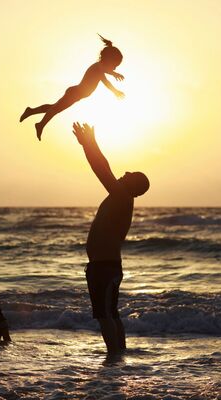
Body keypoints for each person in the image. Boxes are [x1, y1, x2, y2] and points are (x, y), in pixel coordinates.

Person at [72, 122, 149, 354]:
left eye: (130, 174)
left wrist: (89, 144)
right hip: (104, 266)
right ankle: (119, 357)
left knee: (105, 314)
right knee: (110, 313)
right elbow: (105, 167)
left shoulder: (122, 197)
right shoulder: (120, 197)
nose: (124, 173)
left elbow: (101, 170)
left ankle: (114, 358)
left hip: (105, 268)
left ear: (134, 184)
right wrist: (90, 144)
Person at [20, 35, 125, 141]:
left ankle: (31, 111)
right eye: (114, 65)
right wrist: (115, 89)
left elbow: (106, 74)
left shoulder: (100, 68)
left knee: (53, 107)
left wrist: (114, 75)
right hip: (75, 93)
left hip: (76, 94)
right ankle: (40, 124)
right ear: (108, 60)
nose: (115, 68)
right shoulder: (98, 68)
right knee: (55, 109)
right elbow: (106, 81)